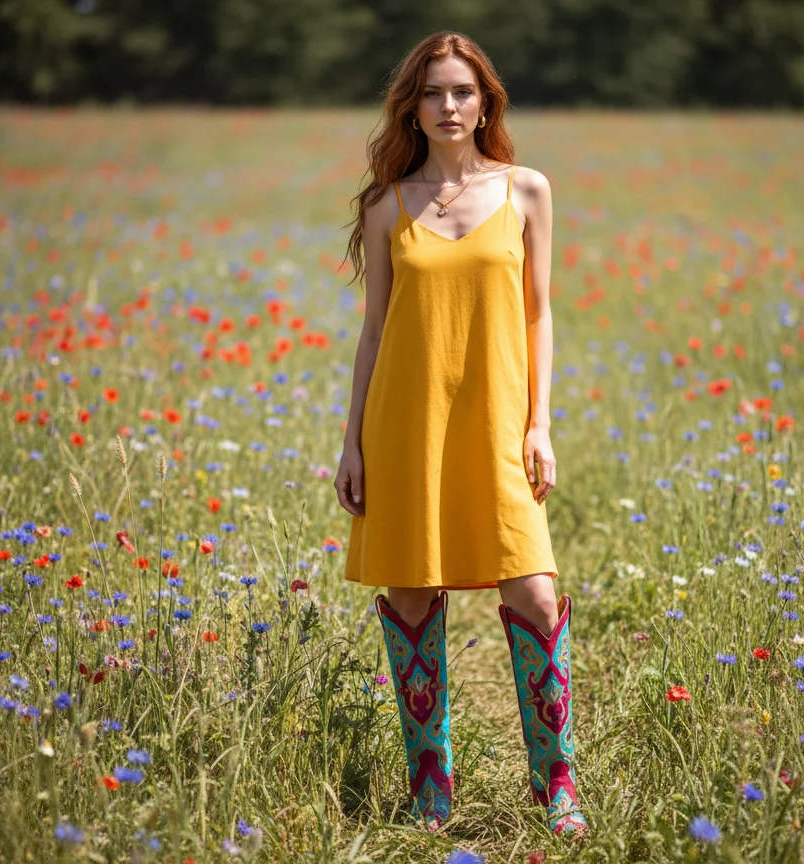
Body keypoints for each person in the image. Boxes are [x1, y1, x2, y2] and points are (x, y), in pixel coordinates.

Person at [334, 31, 588, 840]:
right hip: (405, 423)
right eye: (433, 93)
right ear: (412, 104)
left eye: (463, 92)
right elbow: (373, 332)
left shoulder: (527, 192)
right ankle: (430, 789)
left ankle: (557, 784)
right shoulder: (385, 204)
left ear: (486, 103)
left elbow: (540, 313)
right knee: (412, 592)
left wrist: (540, 422)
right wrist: (352, 443)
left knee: (535, 591)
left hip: (498, 422)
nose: (448, 106)